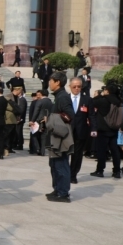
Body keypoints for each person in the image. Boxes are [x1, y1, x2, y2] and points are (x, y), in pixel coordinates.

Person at [46, 71, 75, 202]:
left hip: (61, 138)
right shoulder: (58, 96)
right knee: (54, 164)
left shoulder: (63, 97)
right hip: (55, 136)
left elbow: (70, 115)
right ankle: (57, 189)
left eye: (51, 81)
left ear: (57, 82)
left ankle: (63, 193)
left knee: (61, 164)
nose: (49, 83)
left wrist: (53, 119)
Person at [91, 84, 123, 178]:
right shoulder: (119, 101)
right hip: (114, 129)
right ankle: (117, 171)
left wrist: (100, 95)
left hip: (103, 129)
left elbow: (92, 101)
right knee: (115, 151)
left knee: (101, 151)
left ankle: (100, 170)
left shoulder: (103, 100)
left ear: (107, 91)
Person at [68, 77, 96, 183]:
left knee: (77, 154)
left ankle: (73, 175)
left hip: (81, 131)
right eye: (74, 86)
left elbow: (91, 115)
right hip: (67, 131)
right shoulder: (65, 98)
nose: (76, 88)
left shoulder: (87, 99)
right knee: (65, 154)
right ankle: (64, 173)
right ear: (70, 86)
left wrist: (94, 128)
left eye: (79, 86)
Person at [30, 90, 53, 156]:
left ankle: (38, 148)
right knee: (43, 136)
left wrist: (32, 120)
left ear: (41, 94)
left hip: (38, 120)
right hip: (47, 120)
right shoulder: (50, 102)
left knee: (34, 134)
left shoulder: (40, 101)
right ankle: (42, 151)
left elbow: (36, 111)